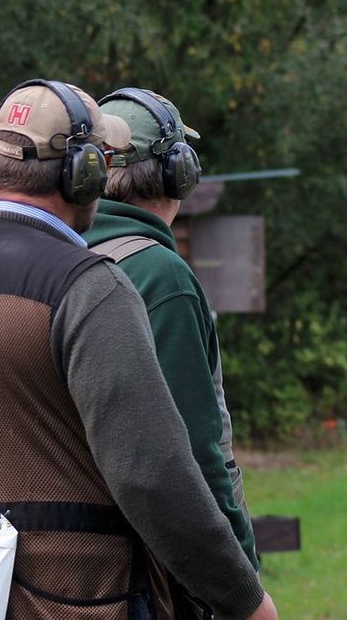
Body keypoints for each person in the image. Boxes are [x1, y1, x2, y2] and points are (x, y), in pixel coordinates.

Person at [0, 79, 277, 620]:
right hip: (80, 593)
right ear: (84, 174)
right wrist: (244, 598)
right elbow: (154, 475)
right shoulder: (87, 288)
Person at [83, 87, 260, 573]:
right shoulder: (162, 277)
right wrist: (240, 575)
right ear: (177, 174)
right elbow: (195, 452)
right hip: (143, 563)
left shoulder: (55, 260)